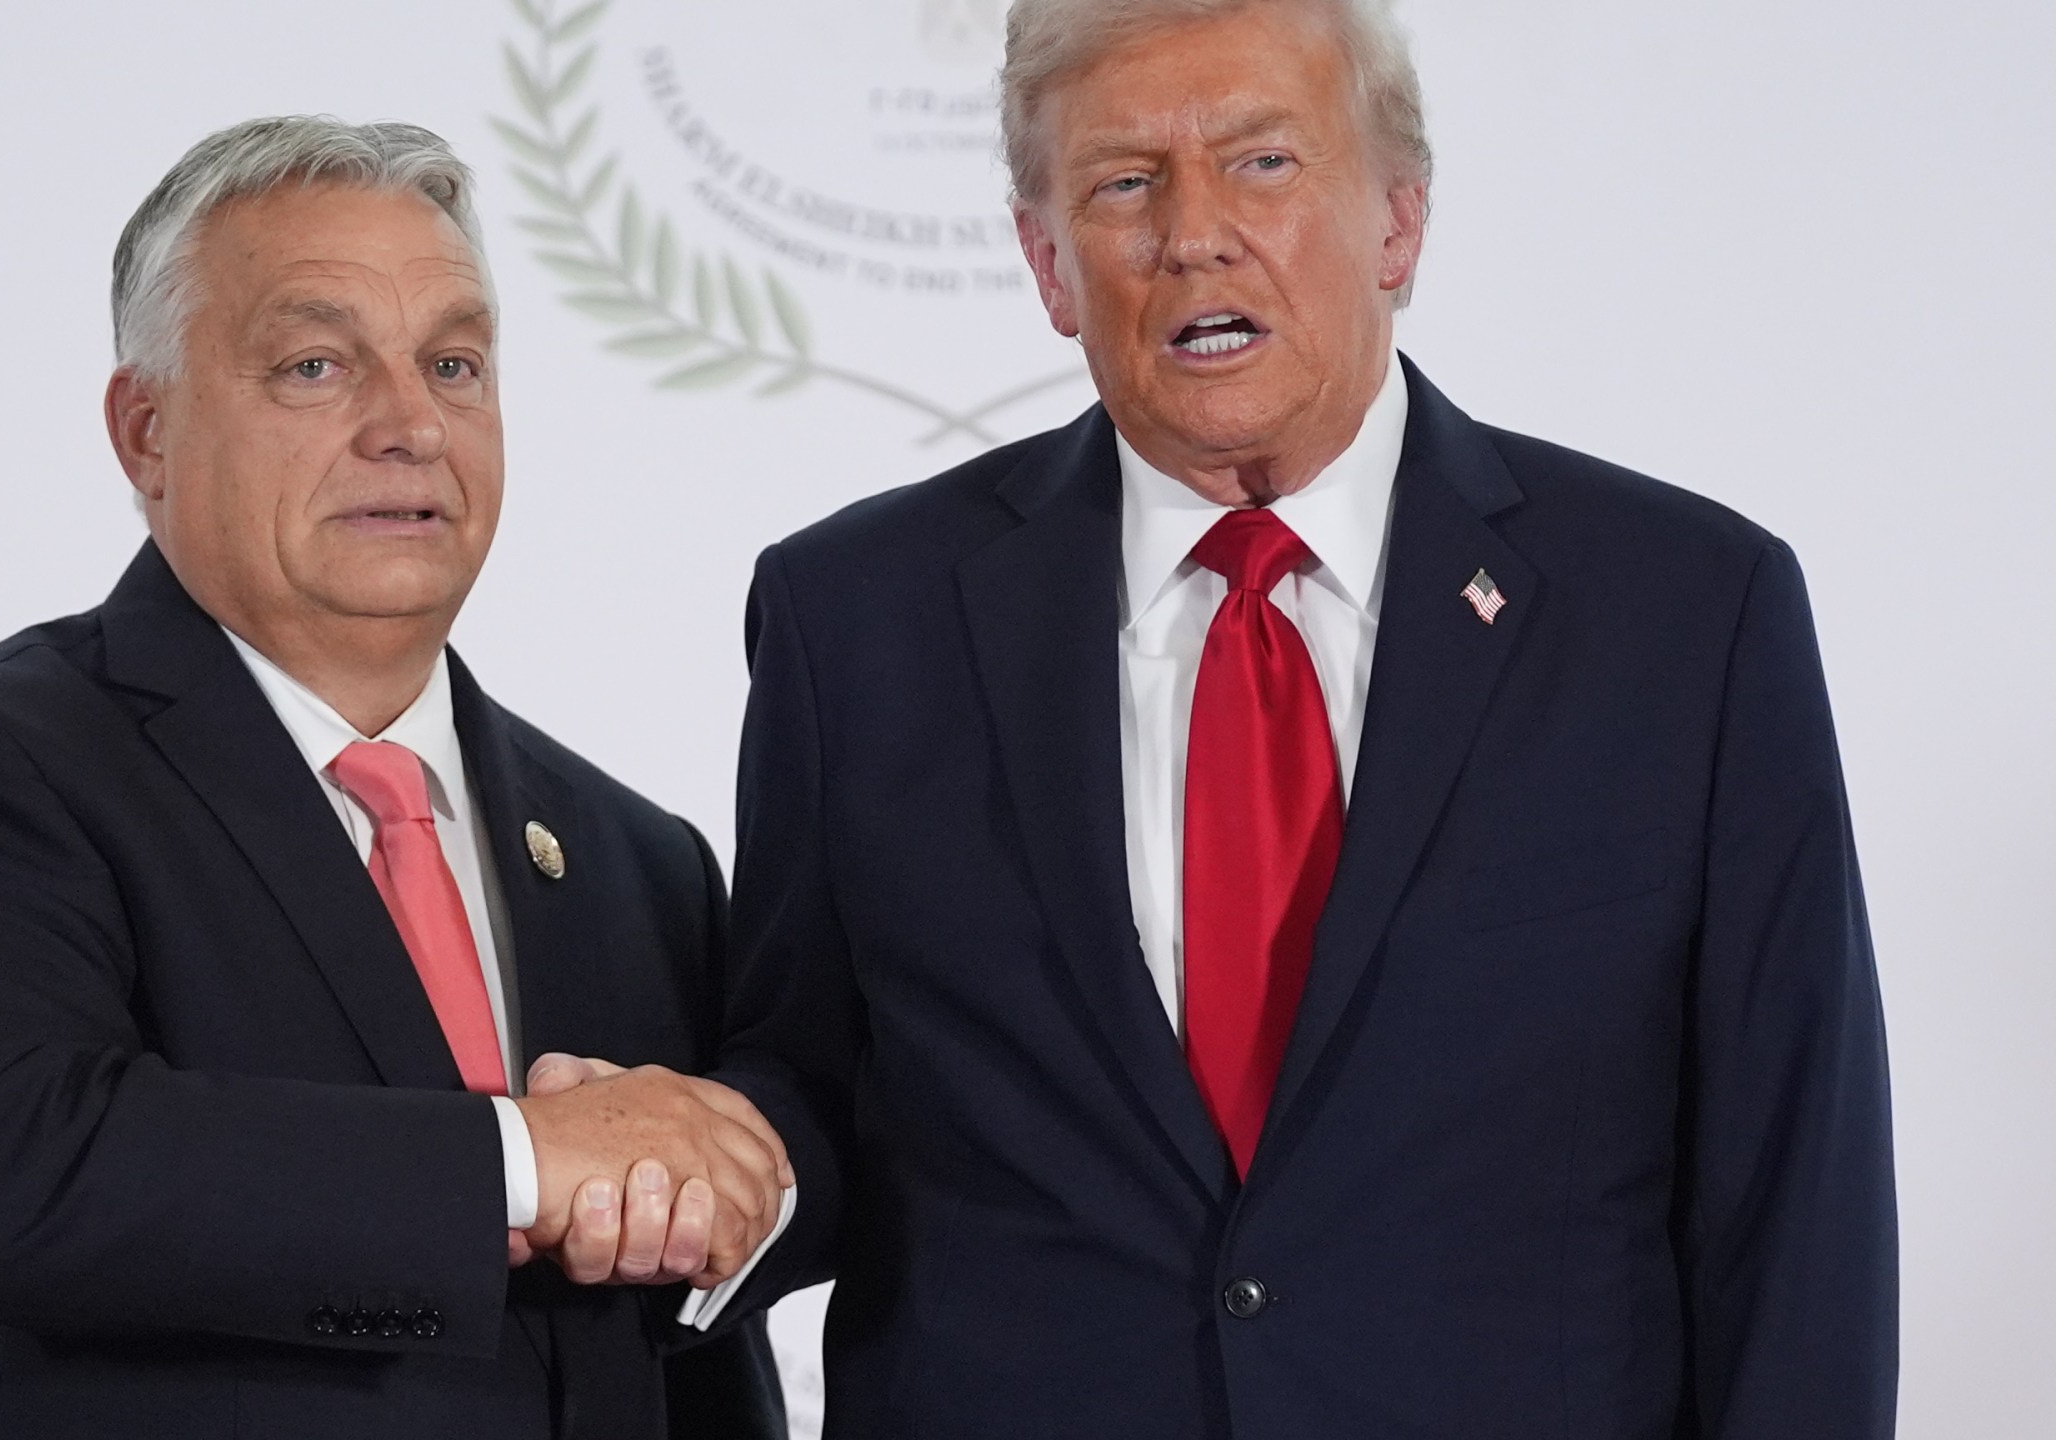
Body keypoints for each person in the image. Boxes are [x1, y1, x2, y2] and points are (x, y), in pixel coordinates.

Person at [666, 0, 1899, 1434]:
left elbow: (1794, 1203)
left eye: (1263, 162)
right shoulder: (857, 620)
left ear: (1400, 222)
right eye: (1124, 182)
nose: (1194, 234)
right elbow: (810, 1091)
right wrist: (683, 1169)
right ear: (1048, 263)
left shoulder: (1686, 615)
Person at [0, 117, 790, 1439]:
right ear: (146, 431)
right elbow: (3, 1175)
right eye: (316, 366)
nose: (412, 425)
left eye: (455, 365)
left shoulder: (636, 861)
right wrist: (526, 1159)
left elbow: (689, 1366)